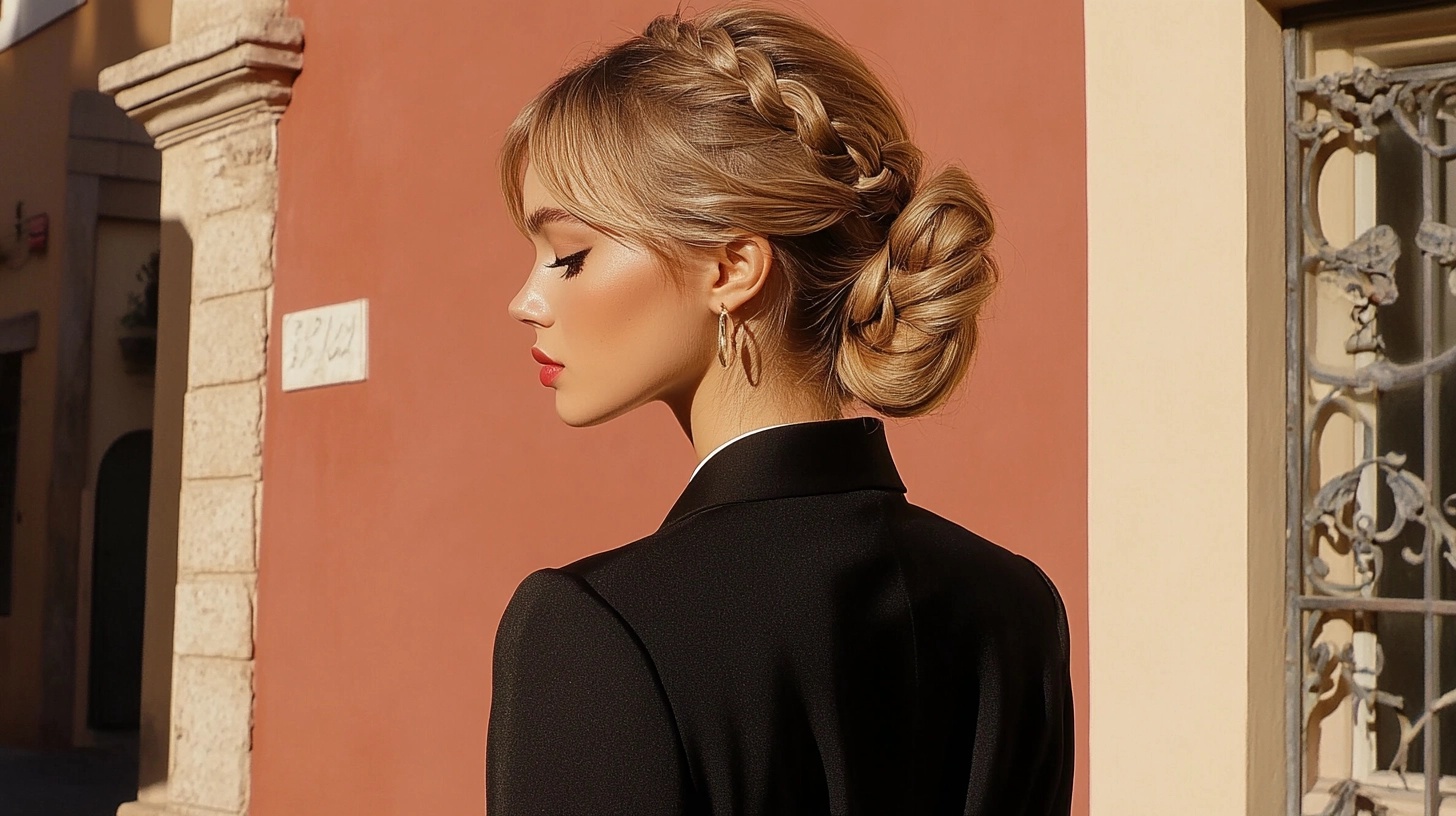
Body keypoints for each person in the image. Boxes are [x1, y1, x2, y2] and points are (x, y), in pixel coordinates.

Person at [487, 6, 1074, 815]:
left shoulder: (593, 631)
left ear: (732, 267)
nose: (526, 300)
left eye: (568, 256)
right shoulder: (1017, 606)